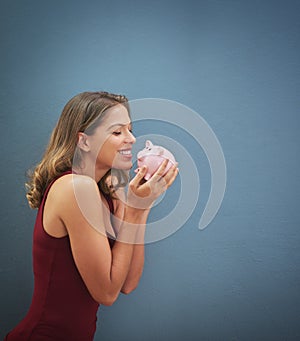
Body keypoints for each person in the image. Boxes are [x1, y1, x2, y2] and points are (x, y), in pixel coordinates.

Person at [4, 91, 178, 341]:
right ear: (84, 141)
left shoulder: (107, 192)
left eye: (130, 129)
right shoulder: (75, 188)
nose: (132, 138)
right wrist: (135, 209)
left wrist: (142, 208)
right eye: (117, 132)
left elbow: (127, 283)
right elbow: (106, 293)